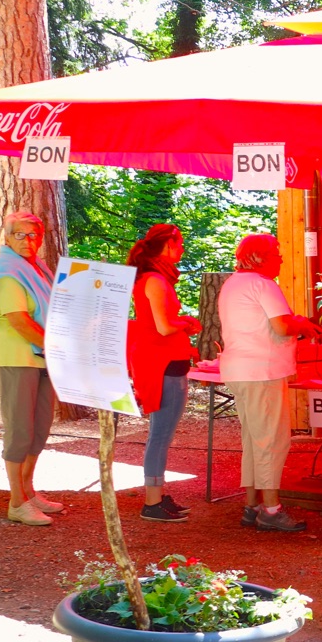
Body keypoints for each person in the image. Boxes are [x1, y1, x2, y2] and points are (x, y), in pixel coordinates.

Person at [218, 233, 322, 532]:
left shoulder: (232, 283)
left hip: (240, 370)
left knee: (254, 440)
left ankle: (252, 505)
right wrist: (302, 324)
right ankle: (271, 509)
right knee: (271, 440)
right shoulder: (263, 284)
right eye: (276, 253)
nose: (280, 258)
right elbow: (281, 326)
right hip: (262, 372)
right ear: (260, 258)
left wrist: (296, 323)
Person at [126, 224, 201, 523]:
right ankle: (152, 502)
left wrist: (181, 324)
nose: (182, 248)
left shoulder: (156, 278)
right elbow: (164, 326)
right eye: (179, 243)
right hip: (162, 363)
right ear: (167, 245)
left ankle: (156, 496)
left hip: (167, 361)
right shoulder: (155, 280)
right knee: (160, 434)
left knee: (161, 433)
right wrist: (186, 322)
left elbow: (162, 323)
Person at [0, 211, 59, 526]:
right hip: (16, 358)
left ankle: (28, 491)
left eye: (33, 235)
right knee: (20, 431)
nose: (28, 241)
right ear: (6, 238)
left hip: (42, 357)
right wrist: (57, 347)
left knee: (40, 429)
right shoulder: (8, 273)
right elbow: (19, 321)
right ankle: (17, 502)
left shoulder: (37, 268)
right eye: (19, 234)